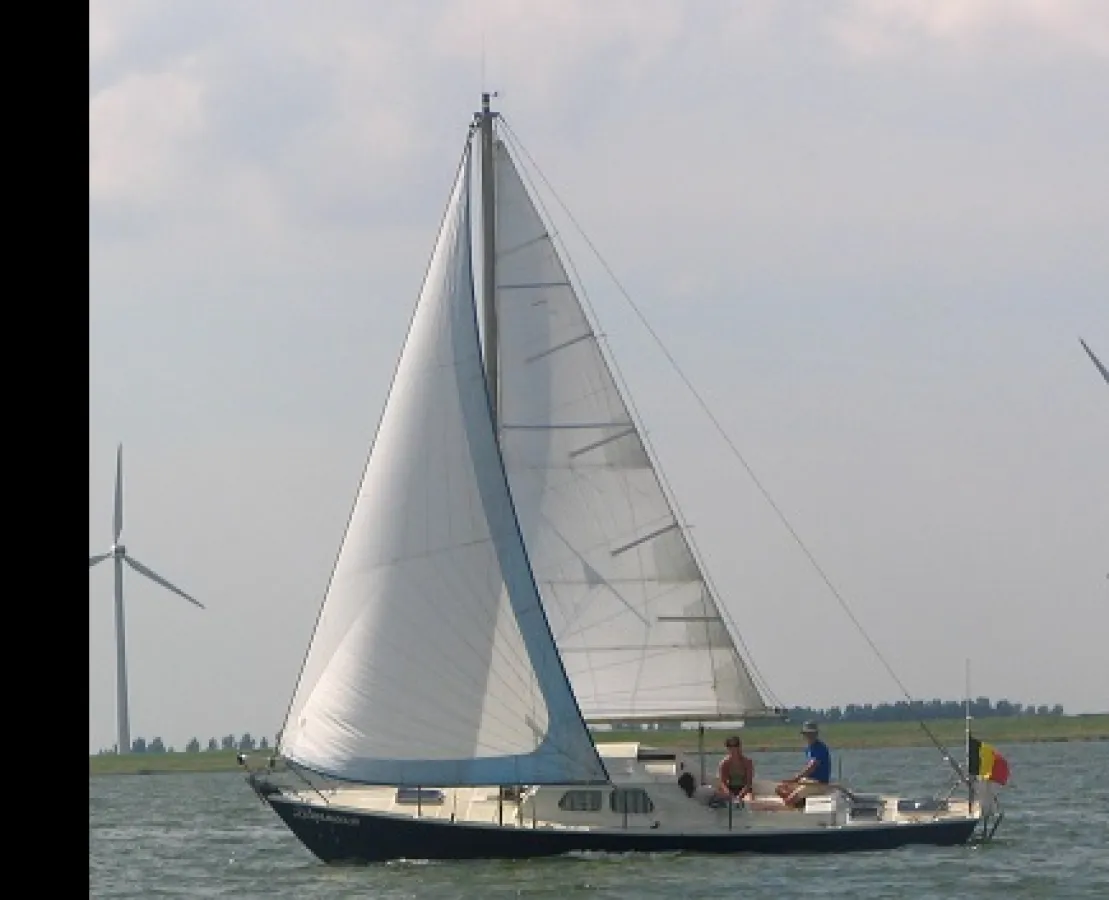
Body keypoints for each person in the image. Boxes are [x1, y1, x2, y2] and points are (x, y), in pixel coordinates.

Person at [774, 721, 832, 809]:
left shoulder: (820, 748)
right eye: (807, 734)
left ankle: (791, 803)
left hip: (818, 784)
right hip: (808, 781)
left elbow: (812, 766)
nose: (809, 736)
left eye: (812, 734)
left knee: (789, 799)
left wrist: (796, 778)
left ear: (816, 734)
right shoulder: (809, 749)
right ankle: (800, 804)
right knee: (779, 789)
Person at [715, 735, 755, 802]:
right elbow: (723, 783)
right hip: (729, 789)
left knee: (749, 800)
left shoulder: (747, 762)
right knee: (721, 798)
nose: (733, 748)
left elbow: (748, 783)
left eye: (735, 745)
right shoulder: (724, 763)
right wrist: (731, 795)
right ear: (727, 748)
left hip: (744, 789)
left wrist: (740, 796)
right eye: (730, 746)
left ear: (740, 746)